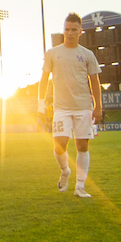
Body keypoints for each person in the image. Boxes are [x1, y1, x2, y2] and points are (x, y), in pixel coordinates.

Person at [37, 13, 103, 198]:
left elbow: (95, 82)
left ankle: (80, 187)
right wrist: (41, 103)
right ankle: (65, 171)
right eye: (67, 29)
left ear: (80, 31)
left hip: (83, 106)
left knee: (82, 146)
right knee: (59, 146)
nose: (70, 33)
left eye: (74, 29)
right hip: (61, 107)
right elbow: (44, 79)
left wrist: (98, 106)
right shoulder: (53, 53)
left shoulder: (87, 54)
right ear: (63, 30)